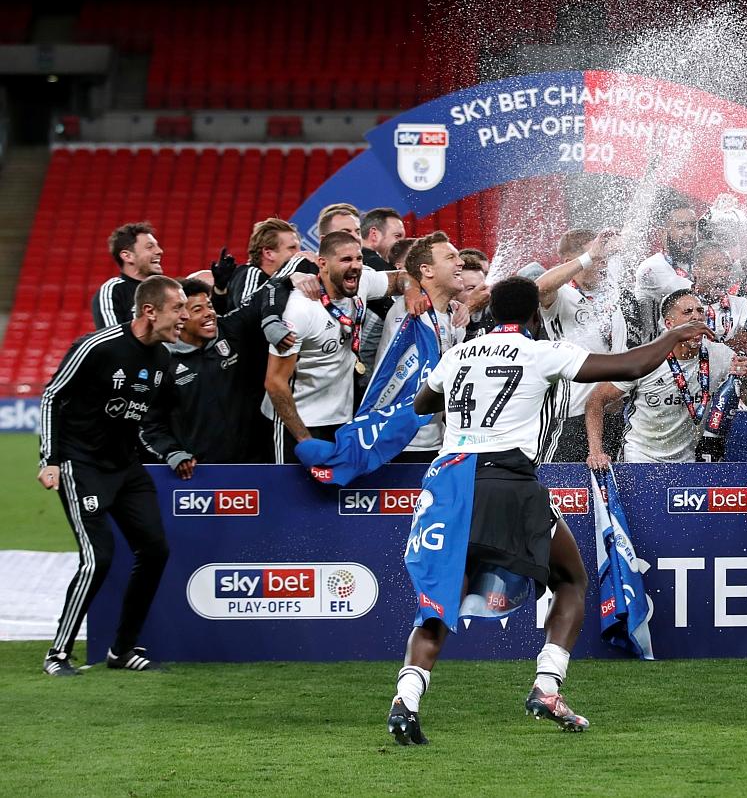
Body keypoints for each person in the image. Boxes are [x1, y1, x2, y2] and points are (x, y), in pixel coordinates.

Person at [386, 276, 714, 743]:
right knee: (571, 580)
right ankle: (546, 686)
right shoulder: (542, 351)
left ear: (491, 313)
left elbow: (423, 402)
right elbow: (630, 364)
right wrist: (674, 335)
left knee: (437, 607)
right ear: (535, 316)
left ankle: (406, 700)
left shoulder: (458, 354)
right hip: (507, 483)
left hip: (449, 486)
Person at [39, 275, 186, 676]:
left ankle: (120, 650)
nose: (184, 317)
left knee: (155, 550)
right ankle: (58, 653)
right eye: (178, 309)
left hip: (126, 467)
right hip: (80, 465)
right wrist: (49, 458)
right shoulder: (97, 346)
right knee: (97, 558)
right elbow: (53, 395)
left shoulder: (162, 359)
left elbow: (146, 418)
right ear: (149, 311)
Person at [263, 231, 411, 463]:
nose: (355, 266)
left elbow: (401, 279)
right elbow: (275, 382)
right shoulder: (301, 309)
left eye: (358, 258)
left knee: (337, 497)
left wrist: (410, 291)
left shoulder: (361, 285)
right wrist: (305, 439)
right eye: (345, 260)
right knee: (291, 497)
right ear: (322, 264)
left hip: (343, 421)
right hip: (299, 423)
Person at [584, 289, 747, 466]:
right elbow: (596, 401)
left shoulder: (721, 356)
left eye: (699, 311)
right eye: (687, 312)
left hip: (688, 461)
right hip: (640, 457)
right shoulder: (645, 359)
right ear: (669, 324)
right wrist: (596, 452)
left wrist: (746, 378)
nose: (696, 316)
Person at [142, 278, 276, 468]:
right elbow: (150, 424)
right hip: (199, 472)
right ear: (180, 316)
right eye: (198, 310)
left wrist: (293, 277)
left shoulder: (232, 330)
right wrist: (172, 452)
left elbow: (263, 295)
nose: (209, 314)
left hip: (256, 464)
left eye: (210, 306)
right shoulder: (160, 363)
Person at [535, 229, 629, 462]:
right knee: (563, 488)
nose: (602, 264)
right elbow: (538, 288)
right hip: (571, 415)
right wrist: (589, 257)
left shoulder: (612, 289)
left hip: (614, 411)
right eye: (596, 259)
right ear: (571, 262)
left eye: (603, 258)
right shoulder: (561, 295)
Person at [372, 232, 466, 464]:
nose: (460, 262)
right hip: (396, 443)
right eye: (450, 257)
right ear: (427, 270)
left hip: (437, 441)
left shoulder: (457, 318)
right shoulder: (409, 310)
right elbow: (404, 277)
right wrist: (411, 287)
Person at [690, 240, 747, 367]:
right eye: (716, 268)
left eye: (727, 268)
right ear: (696, 270)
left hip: (729, 383)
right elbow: (682, 355)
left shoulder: (741, 304)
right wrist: (729, 346)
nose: (724, 274)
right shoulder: (680, 304)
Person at [212, 217, 309, 314]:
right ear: (268, 253)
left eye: (298, 248)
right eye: (292, 248)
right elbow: (248, 313)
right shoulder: (250, 273)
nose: (299, 253)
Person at [632, 199, 699, 339]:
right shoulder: (652, 267)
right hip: (658, 355)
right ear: (663, 233)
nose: (689, 232)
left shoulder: (695, 263)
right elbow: (698, 295)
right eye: (681, 226)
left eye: (693, 226)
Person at [92, 221, 164, 328]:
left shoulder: (167, 289)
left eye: (157, 246)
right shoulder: (113, 291)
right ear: (127, 256)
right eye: (150, 247)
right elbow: (113, 340)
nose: (160, 251)